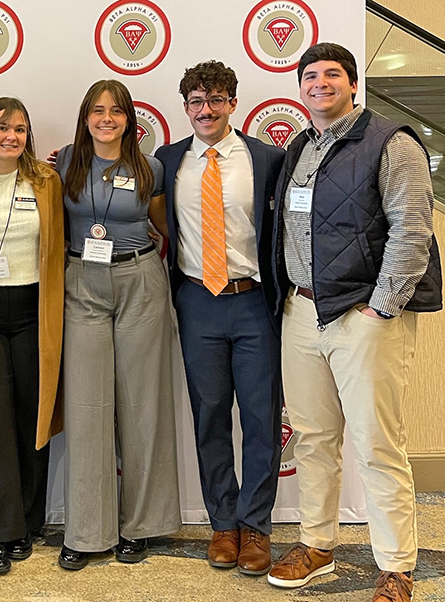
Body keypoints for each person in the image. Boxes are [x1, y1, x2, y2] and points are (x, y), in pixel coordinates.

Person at [267, 43, 441, 602]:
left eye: (332, 75)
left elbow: (412, 230)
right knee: (314, 438)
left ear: (352, 84)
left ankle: (396, 565)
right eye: (309, 76)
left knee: (375, 442)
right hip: (301, 311)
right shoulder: (299, 147)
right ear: (299, 87)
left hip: (363, 316)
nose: (319, 84)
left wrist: (382, 307)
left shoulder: (391, 142)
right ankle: (318, 545)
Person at [154, 61, 285, 576]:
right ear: (185, 107)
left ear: (233, 102)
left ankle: (256, 525)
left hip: (254, 301)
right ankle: (223, 524)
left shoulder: (268, 159)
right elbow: (111, 179)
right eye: (194, 101)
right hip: (196, 300)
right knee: (209, 416)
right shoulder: (167, 160)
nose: (204, 110)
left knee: (259, 418)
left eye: (215, 100)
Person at [54, 80, 180, 570]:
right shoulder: (65, 161)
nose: (107, 119)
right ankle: (86, 531)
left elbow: (167, 225)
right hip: (81, 279)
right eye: (97, 111)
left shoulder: (151, 168)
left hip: (139, 279)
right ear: (85, 117)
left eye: (117, 111)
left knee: (142, 402)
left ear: (130, 119)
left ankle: (141, 526)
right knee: (87, 407)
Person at [0, 98, 64, 575]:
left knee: (31, 415)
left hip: (33, 310)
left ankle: (28, 521)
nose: (11, 137)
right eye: (2, 128)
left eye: (20, 129)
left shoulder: (45, 181)